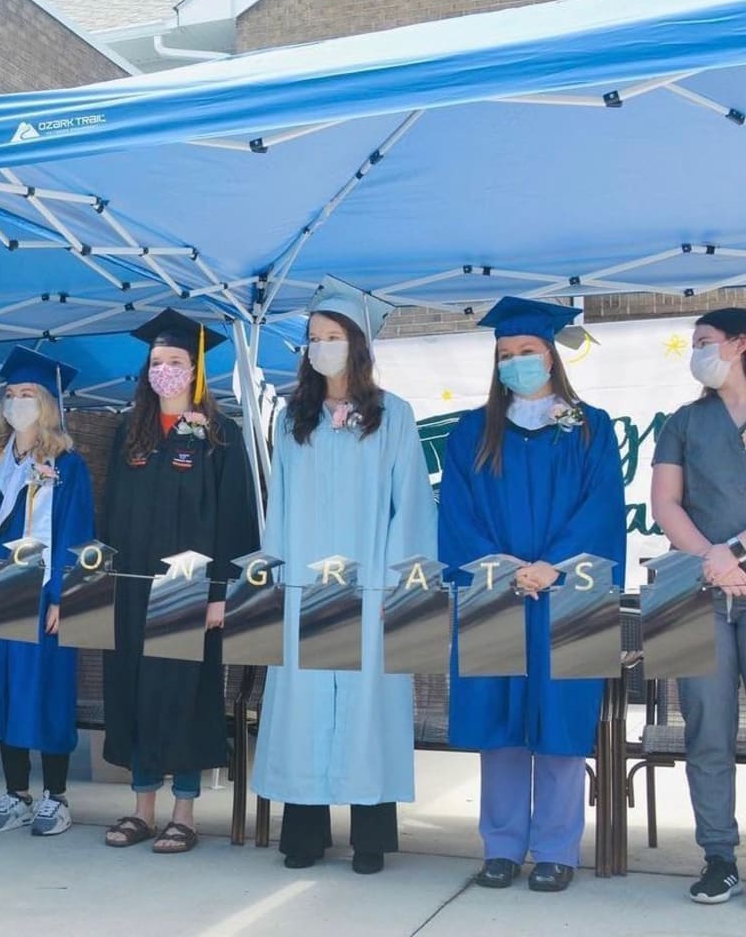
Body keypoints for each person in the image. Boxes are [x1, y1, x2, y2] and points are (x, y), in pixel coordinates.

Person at [439, 296, 626, 892]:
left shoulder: (590, 427)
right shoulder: (473, 430)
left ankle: (556, 848)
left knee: (562, 720)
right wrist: (501, 565)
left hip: (572, 593)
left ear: (551, 357)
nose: (515, 362)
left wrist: (553, 567)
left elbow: (603, 510)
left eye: (526, 352)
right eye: (505, 355)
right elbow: (457, 511)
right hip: (494, 589)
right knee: (499, 719)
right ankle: (500, 846)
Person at [251, 277, 437, 875]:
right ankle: (304, 835)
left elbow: (409, 506)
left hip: (370, 587)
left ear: (358, 345)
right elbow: (277, 505)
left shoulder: (393, 416)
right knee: (303, 708)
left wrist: (394, 584)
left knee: (367, 710)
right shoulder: (290, 418)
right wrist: (277, 579)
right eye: (313, 338)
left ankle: (371, 840)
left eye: (333, 337)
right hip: (304, 586)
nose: (321, 346)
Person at [102, 309, 259, 854]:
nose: (163, 370)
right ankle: (142, 807)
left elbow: (236, 520)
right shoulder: (130, 433)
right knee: (136, 691)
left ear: (195, 370)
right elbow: (111, 513)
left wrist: (222, 593)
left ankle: (184, 813)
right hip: (132, 588)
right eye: (156, 362)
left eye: (174, 361)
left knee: (184, 695)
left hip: (190, 588)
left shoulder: (219, 434)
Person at [0, 346, 93, 837]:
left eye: (27, 394)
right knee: (2, 692)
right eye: (10, 395)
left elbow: (77, 533)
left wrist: (63, 596)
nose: (17, 403)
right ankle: (16, 793)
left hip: (38, 592)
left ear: (48, 404)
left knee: (45, 691)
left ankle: (57, 797)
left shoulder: (69, 466)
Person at [651, 307, 746, 904]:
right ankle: (718, 855)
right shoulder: (684, 421)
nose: (698, 353)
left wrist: (735, 553)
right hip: (697, 592)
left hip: (726, 567)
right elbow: (666, 503)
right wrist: (714, 559)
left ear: (740, 345)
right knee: (707, 731)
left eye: (706, 342)